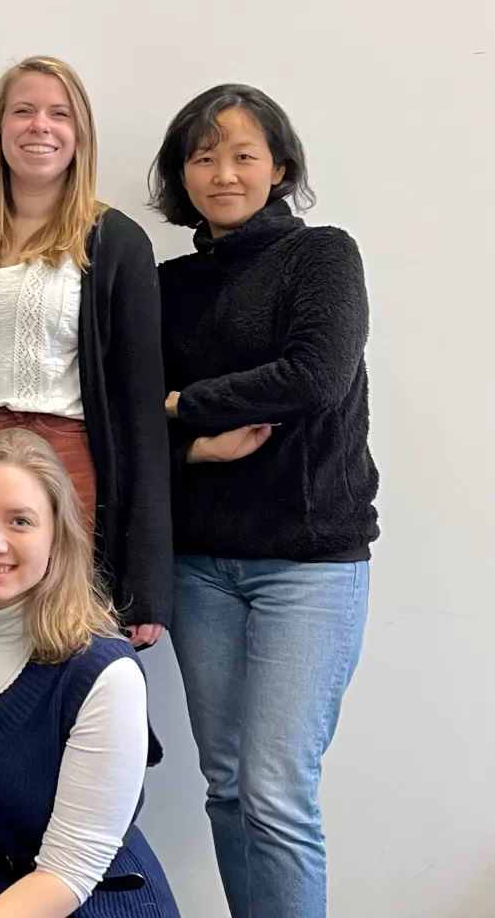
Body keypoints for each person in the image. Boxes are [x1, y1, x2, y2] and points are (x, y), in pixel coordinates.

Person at [152, 84, 376, 918]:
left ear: (278, 166)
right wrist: (191, 439)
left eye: (243, 153)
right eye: (203, 156)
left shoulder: (321, 255)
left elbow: (312, 378)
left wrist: (182, 406)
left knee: (276, 792)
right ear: (182, 173)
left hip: (308, 563)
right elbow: (127, 407)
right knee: (225, 786)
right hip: (201, 562)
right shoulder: (165, 282)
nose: (223, 172)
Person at [0, 429, 179, 918]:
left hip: (92, 903)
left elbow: (69, 870)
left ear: (57, 534)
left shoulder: (106, 672)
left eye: (20, 521)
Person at [0, 56, 171, 645]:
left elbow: (141, 415)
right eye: (22, 111)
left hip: (66, 469)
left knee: (59, 644)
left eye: (58, 113)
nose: (39, 126)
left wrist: (146, 583)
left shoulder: (114, 241)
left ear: (81, 134)